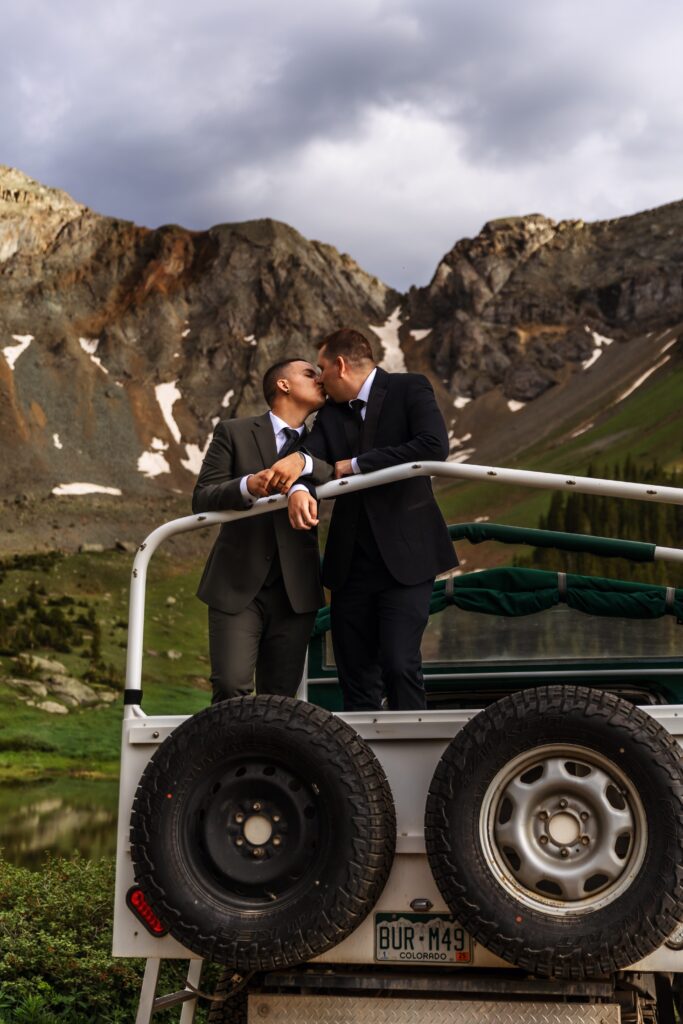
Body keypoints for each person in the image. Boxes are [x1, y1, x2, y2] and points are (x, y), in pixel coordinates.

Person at [286, 328, 457, 711]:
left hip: (407, 559)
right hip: (351, 567)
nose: (320, 378)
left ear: (341, 366)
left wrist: (358, 465)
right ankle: (361, 769)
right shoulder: (330, 414)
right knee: (355, 677)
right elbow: (309, 459)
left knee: (400, 664)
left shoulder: (410, 388)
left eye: (323, 367)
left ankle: (412, 763)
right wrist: (298, 488)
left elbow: (433, 446)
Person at [192, 358, 331, 703]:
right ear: (283, 385)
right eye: (310, 374)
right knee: (230, 686)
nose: (321, 379)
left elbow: (335, 473)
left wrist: (300, 483)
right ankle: (228, 758)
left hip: (295, 590)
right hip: (236, 583)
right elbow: (202, 497)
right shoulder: (234, 431)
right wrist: (247, 486)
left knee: (280, 699)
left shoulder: (325, 441)